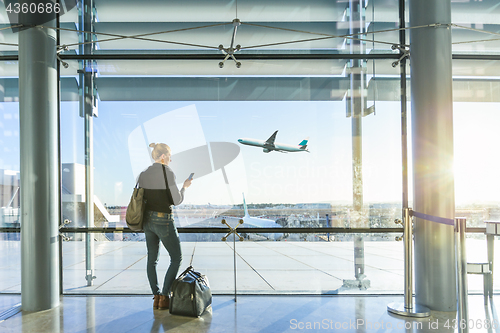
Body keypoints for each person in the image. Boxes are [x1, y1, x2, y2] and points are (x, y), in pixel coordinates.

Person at [138, 143, 192, 310]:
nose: (170, 158)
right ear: (162, 156)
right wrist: (184, 187)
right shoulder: (168, 172)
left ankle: (156, 296)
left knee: (152, 259)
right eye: (169, 155)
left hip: (147, 221)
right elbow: (176, 200)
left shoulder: (143, 174)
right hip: (163, 220)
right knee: (176, 258)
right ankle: (165, 296)